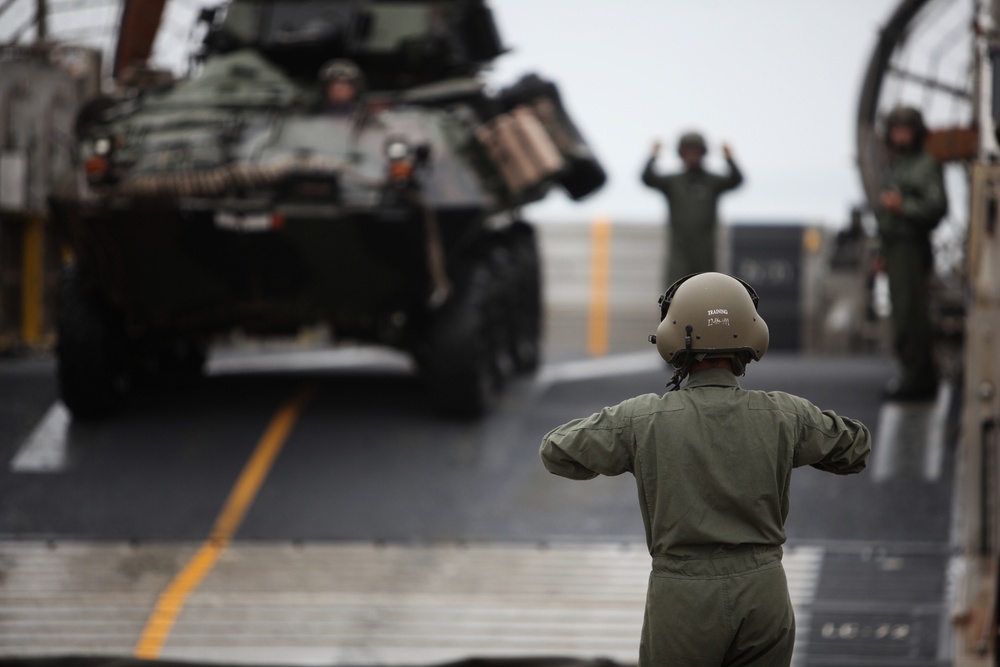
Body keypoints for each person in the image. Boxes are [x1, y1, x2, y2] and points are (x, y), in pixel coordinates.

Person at [539, 272, 871, 666]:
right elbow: (855, 447)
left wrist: (627, 454)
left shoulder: (643, 419)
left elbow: (556, 449)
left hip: (683, 601)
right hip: (763, 595)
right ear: (749, 337)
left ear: (674, 338)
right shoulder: (784, 413)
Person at [875, 105, 947, 401]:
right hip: (895, 247)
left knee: (912, 314)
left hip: (911, 248)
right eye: (896, 130)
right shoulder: (900, 163)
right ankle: (911, 373)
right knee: (901, 314)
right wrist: (881, 253)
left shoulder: (925, 164)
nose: (899, 135)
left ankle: (920, 378)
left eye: (905, 130)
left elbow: (937, 207)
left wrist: (902, 206)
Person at [641, 132, 744, 285]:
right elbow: (648, 178)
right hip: (679, 251)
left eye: (695, 152)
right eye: (686, 152)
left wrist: (730, 159)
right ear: (681, 154)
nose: (691, 156)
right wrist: (653, 156)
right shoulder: (673, 182)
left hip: (705, 251)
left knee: (707, 292)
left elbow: (735, 181)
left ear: (703, 153)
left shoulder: (711, 181)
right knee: (674, 292)